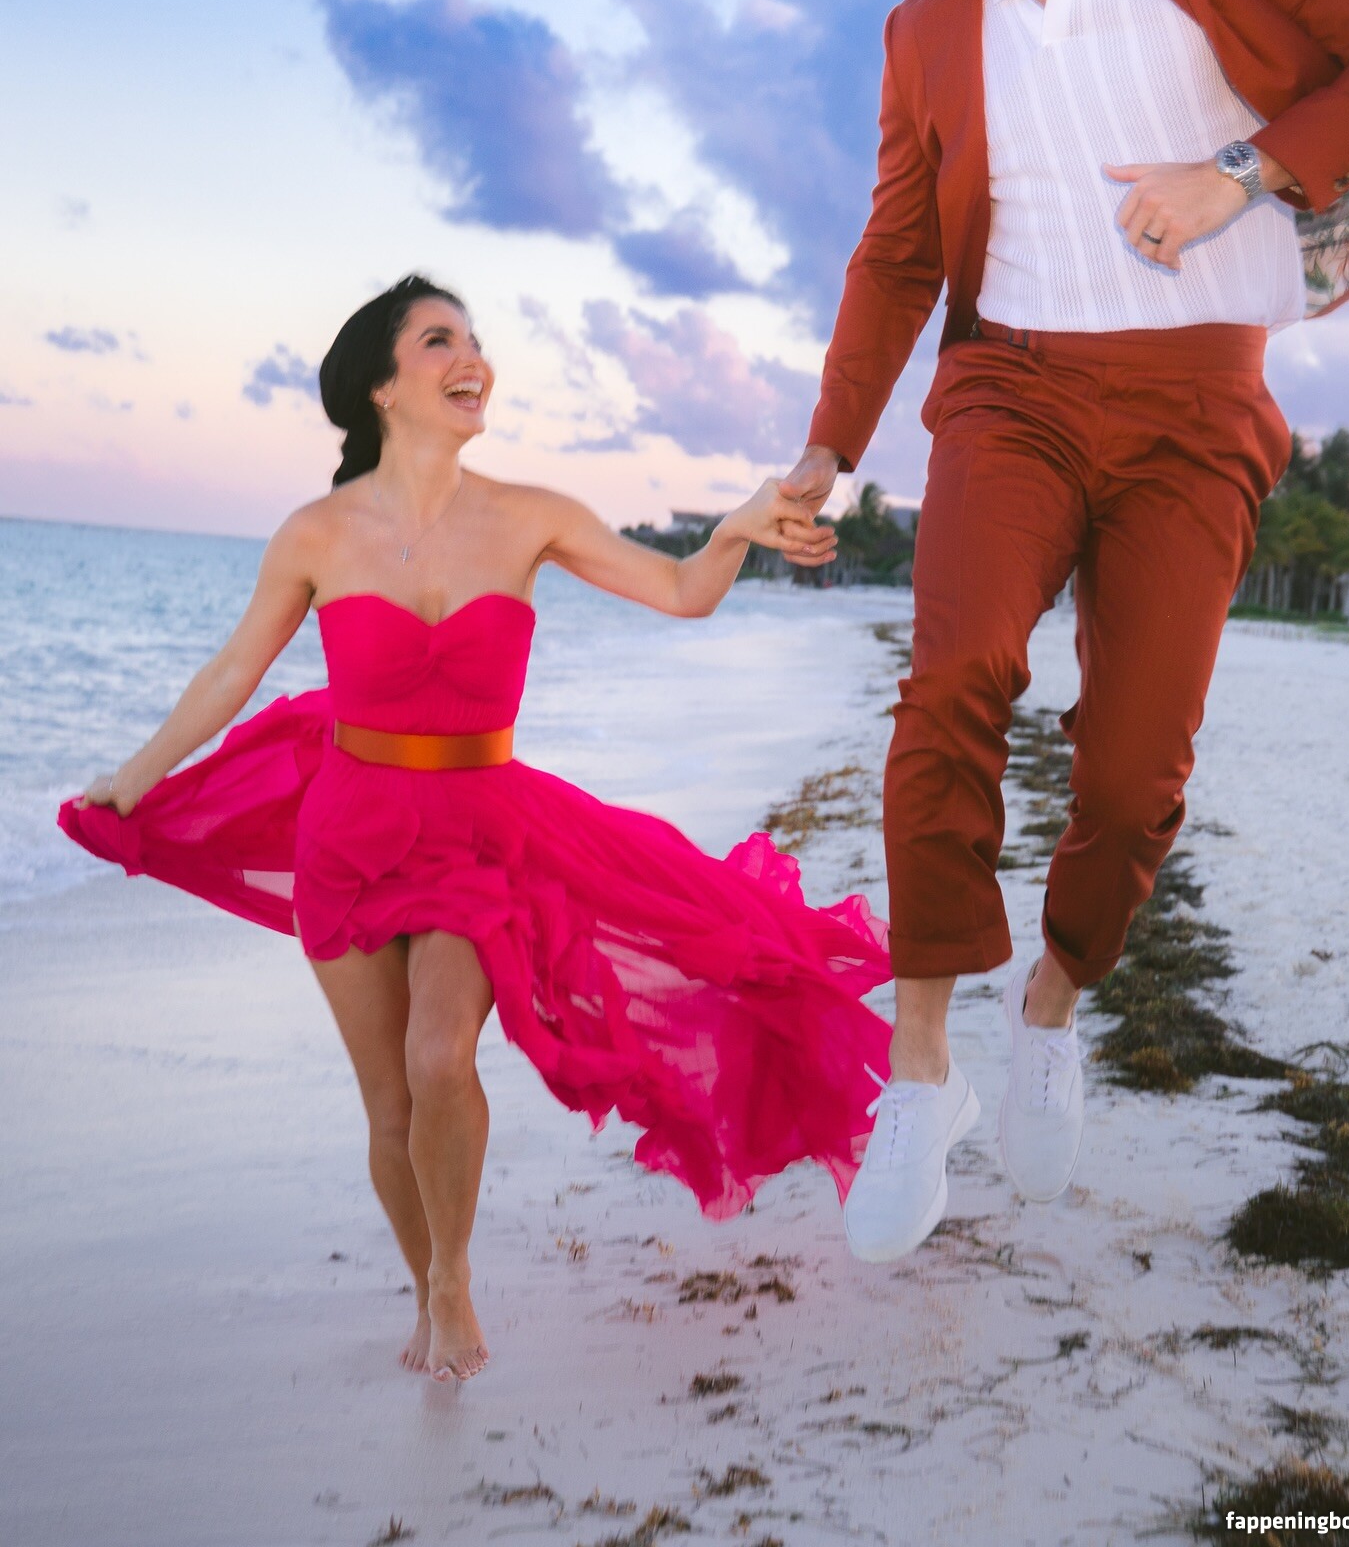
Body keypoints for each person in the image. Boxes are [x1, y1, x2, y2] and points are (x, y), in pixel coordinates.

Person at [778, 0, 1349, 1263]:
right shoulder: (923, 36)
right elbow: (897, 254)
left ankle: (1051, 1006)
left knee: (1137, 775)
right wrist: (829, 448)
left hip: (1197, 405)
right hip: (1010, 392)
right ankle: (920, 1070)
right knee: (954, 679)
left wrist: (1243, 172)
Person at [62, 274, 892, 1379]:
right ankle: (425, 1286)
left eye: (474, 340)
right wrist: (134, 777)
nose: (472, 359)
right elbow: (231, 674)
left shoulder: (529, 516)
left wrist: (737, 527)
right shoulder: (316, 534)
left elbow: (683, 590)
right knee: (389, 1102)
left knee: (440, 1056)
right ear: (381, 387)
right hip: (346, 837)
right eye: (438, 340)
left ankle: (453, 1281)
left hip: (479, 834)